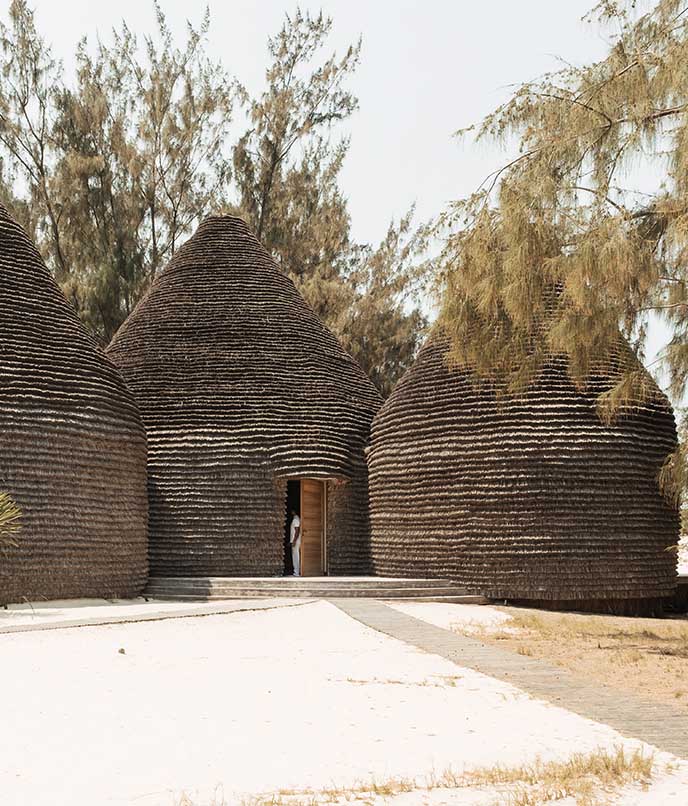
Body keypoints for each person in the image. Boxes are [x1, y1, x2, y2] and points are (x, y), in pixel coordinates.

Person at [289, 509, 301, 576]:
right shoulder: (296, 519)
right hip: (295, 540)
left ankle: (296, 572)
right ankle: (297, 571)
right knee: (296, 556)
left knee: (296, 556)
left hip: (296, 541)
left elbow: (297, 531)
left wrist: (294, 541)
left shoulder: (296, 519)